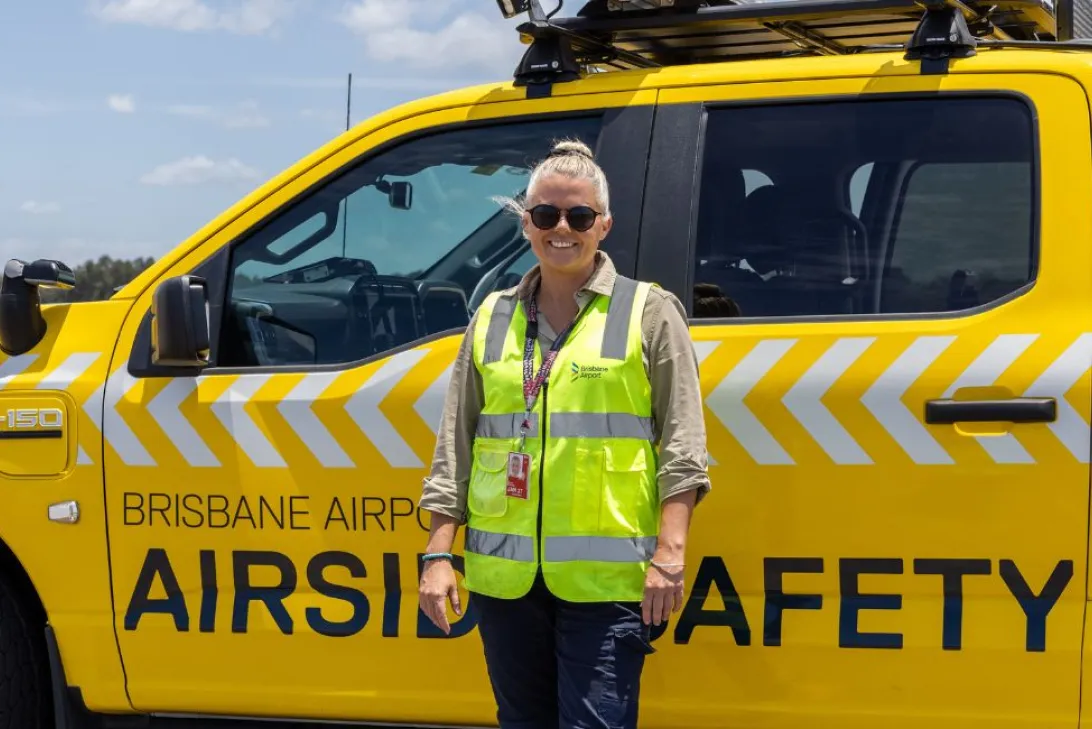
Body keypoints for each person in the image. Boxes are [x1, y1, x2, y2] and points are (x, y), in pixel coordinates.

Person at [417, 138, 710, 729]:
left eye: (578, 217)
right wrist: (437, 555)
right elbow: (456, 449)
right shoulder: (491, 316)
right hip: (506, 580)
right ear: (526, 223)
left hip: (607, 582)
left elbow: (684, 449)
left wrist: (670, 558)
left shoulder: (648, 312)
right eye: (546, 215)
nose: (562, 229)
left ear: (603, 224)